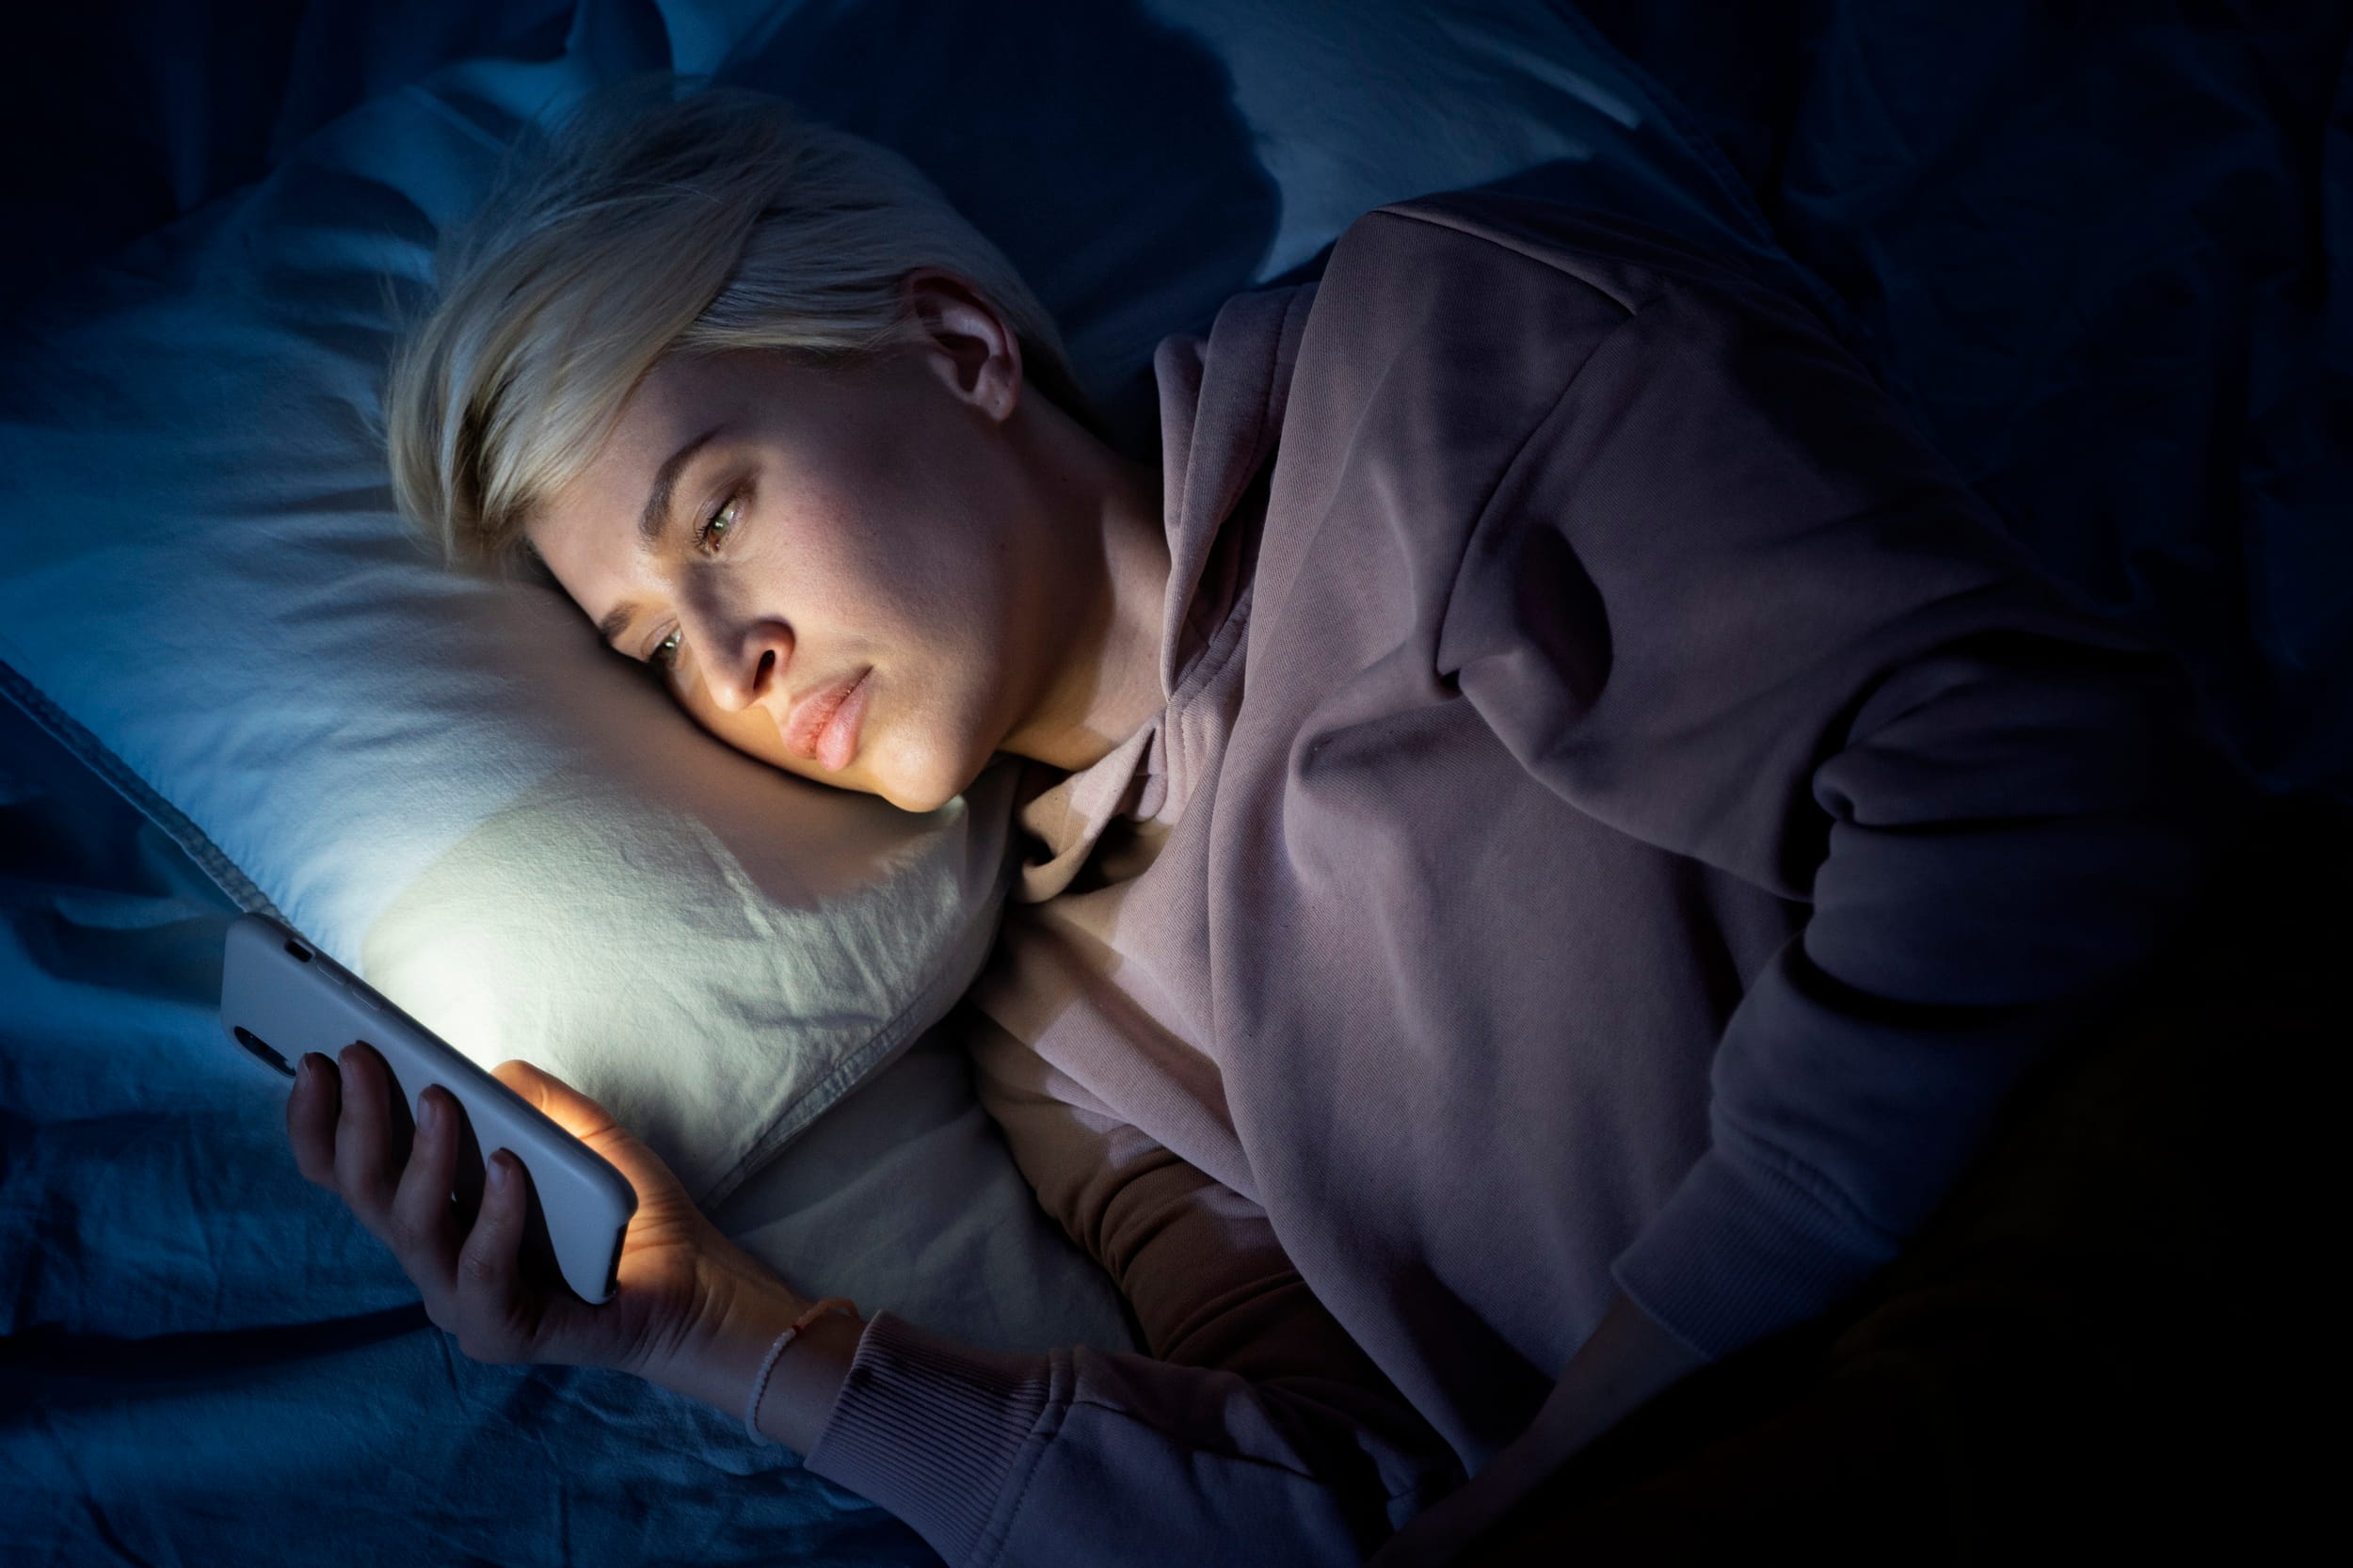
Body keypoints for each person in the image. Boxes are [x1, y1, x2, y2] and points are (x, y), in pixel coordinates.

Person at [288, 85, 2244, 1564]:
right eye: (644, 645)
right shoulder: (1044, 1020)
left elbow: (2038, 789)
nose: (727, 652)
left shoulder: (1441, 358)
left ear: (958, 349)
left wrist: (1594, 1432)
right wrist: (721, 1334)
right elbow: (1319, 1494)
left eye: (714, 511)